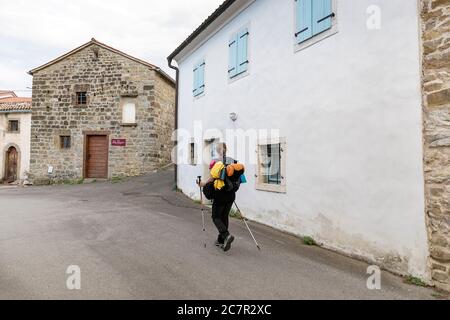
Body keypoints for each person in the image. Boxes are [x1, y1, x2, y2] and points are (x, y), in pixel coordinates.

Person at [198, 143, 236, 252]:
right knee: (224, 217)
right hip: (231, 195)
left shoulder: (217, 163)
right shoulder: (232, 161)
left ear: (219, 150)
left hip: (220, 195)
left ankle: (226, 235)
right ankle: (221, 240)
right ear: (226, 150)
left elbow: (211, 179)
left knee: (215, 217)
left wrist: (202, 184)